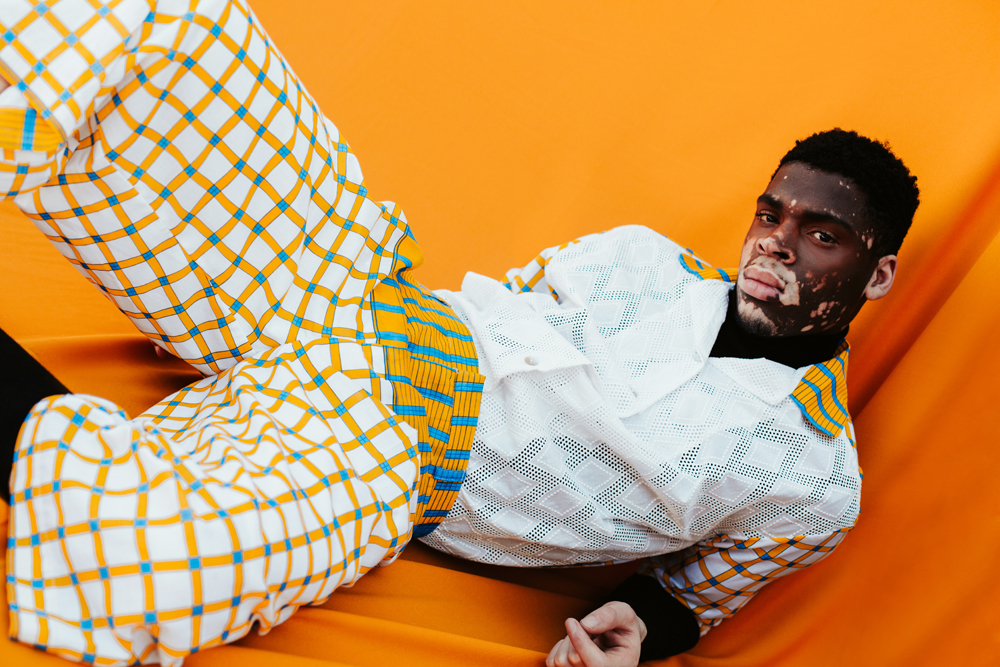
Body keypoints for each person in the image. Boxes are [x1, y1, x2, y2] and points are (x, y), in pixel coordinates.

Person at [0, 2, 918, 666]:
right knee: (168, 24)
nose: (775, 242)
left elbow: (687, 596)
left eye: (821, 235)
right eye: (771, 213)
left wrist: (638, 630)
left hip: (383, 448)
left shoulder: (812, 483)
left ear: (876, 274)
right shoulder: (641, 256)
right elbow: (505, 301)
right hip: (346, 281)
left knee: (132, 571)